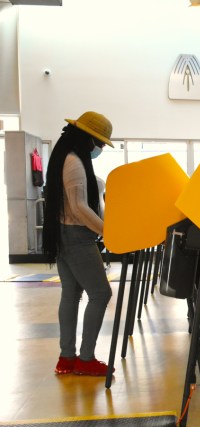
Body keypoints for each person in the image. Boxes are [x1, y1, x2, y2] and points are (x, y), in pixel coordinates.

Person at [42, 111, 115, 377]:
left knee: (71, 295)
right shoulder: (74, 163)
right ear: (88, 139)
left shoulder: (65, 157)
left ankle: (67, 358)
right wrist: (107, 233)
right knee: (101, 294)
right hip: (76, 237)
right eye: (99, 144)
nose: (100, 150)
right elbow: (80, 208)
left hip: (63, 234)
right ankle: (85, 359)